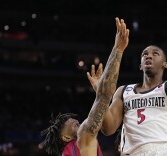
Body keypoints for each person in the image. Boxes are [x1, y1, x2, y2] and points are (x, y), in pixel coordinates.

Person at [90, 3, 167, 156]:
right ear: (140, 65)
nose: (148, 55)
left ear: (165, 64)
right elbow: (108, 128)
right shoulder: (124, 91)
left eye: (155, 53)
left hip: (165, 151)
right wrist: (102, 95)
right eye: (145, 54)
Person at [39, 17, 129, 156]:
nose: (75, 120)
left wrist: (101, 93)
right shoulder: (83, 138)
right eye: (67, 123)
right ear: (66, 137)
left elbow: (102, 99)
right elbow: (104, 97)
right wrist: (118, 50)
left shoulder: (70, 151)